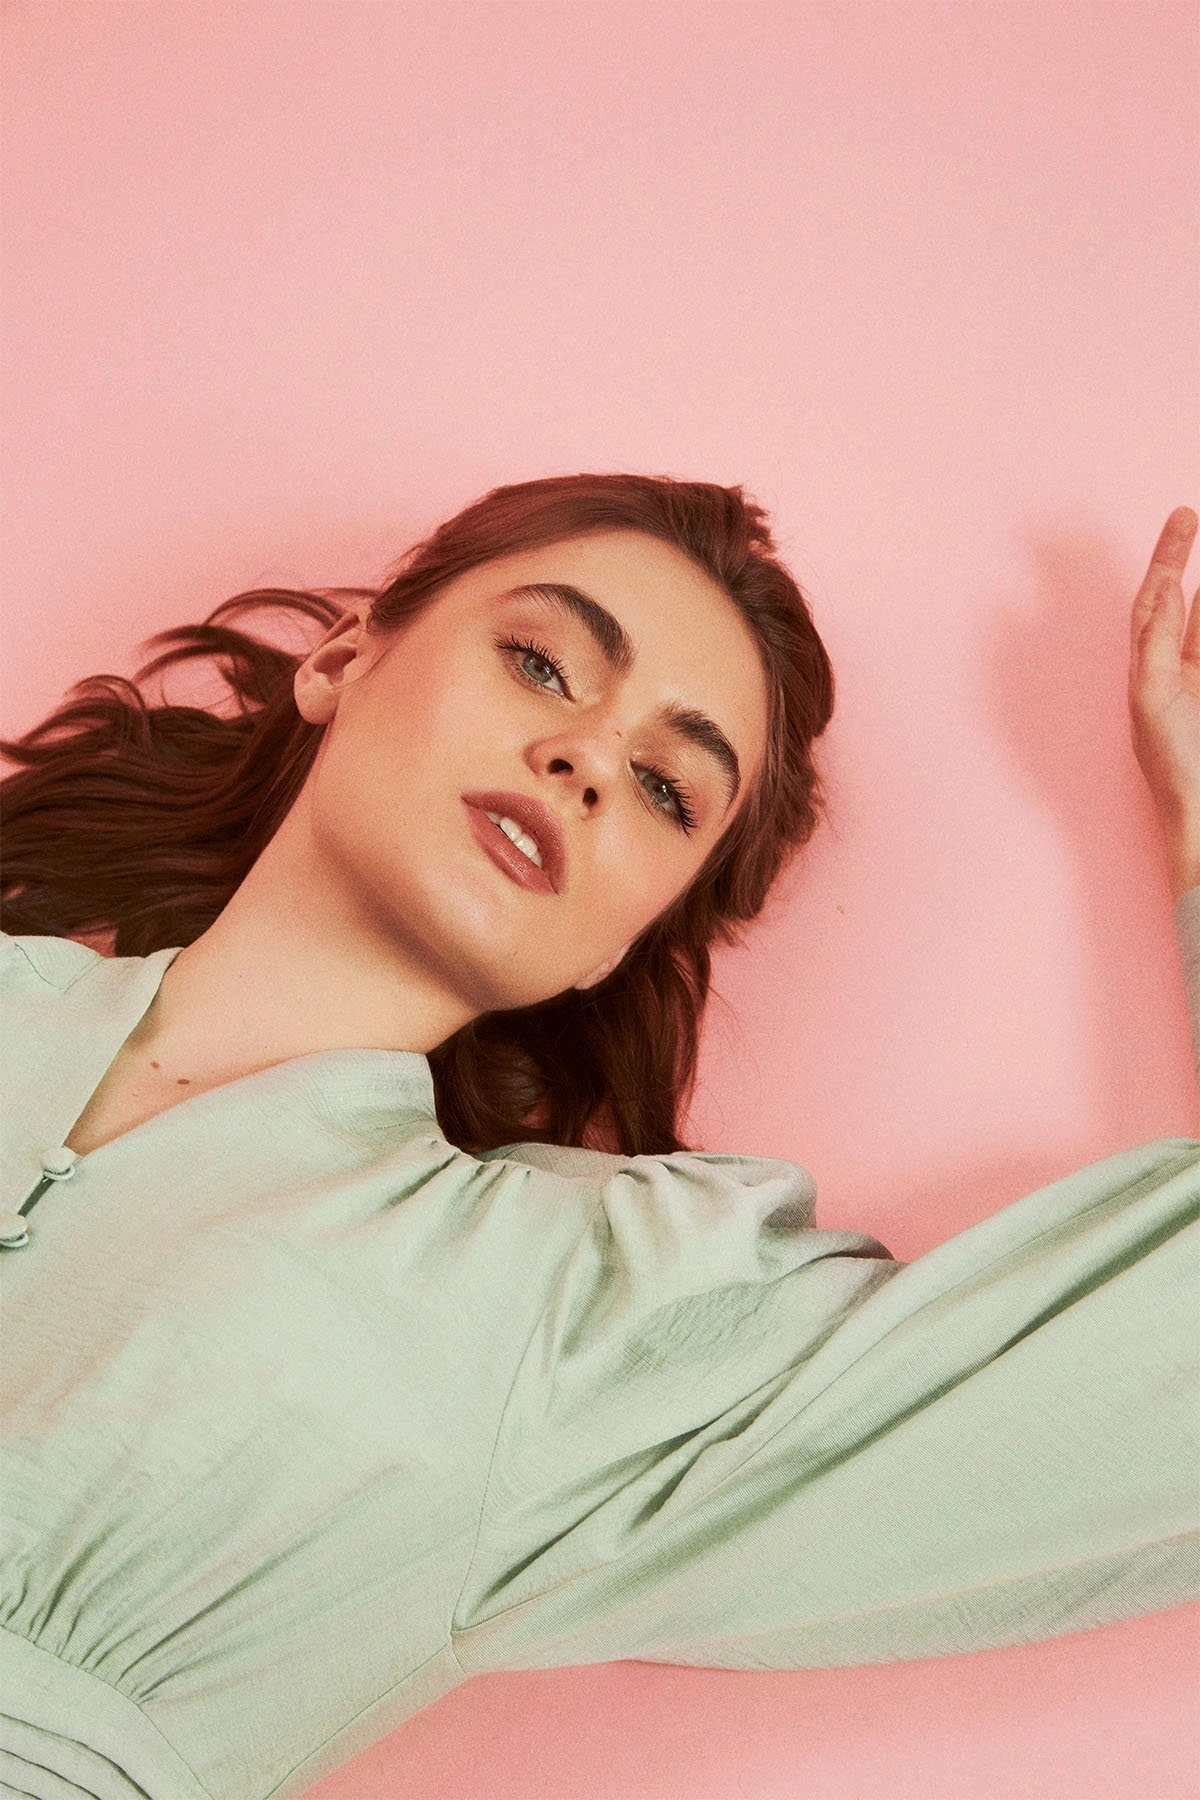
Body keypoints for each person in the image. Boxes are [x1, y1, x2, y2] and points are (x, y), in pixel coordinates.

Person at [0, 473, 1196, 1800]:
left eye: (666, 789)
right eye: (540, 663)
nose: (585, 760)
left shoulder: (566, 1316)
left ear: (619, 943)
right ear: (343, 662)